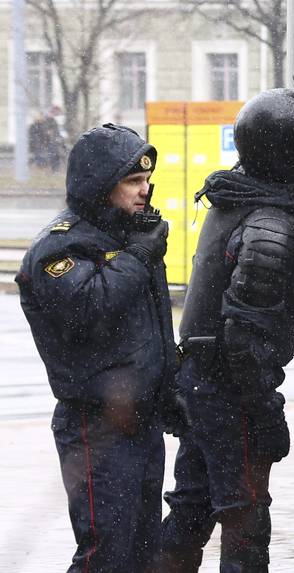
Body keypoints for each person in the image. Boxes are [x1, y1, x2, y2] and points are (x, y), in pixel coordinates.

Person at [159, 88, 294, 572]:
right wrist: (264, 409)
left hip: (201, 381)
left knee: (192, 509)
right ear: (289, 149)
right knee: (245, 520)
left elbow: (235, 306)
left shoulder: (237, 198)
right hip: (229, 392)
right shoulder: (271, 223)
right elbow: (243, 340)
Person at [15, 123, 179, 572]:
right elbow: (87, 308)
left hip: (141, 418)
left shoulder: (127, 236)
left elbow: (151, 329)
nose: (144, 191)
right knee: (106, 553)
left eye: (146, 180)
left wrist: (172, 387)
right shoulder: (62, 245)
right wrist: (138, 258)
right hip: (96, 427)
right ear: (101, 184)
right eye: (132, 181)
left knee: (144, 552)